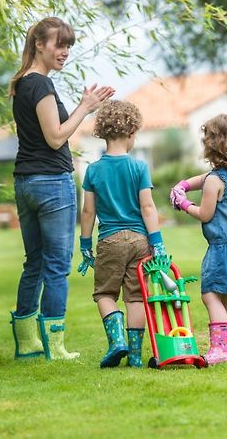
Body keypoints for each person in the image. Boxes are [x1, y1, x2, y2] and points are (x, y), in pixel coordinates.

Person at [8, 17, 115, 360]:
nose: (65, 52)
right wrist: (85, 107)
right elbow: (55, 138)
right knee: (55, 265)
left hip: (26, 183)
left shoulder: (23, 84)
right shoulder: (40, 86)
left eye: (68, 45)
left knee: (35, 263)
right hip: (51, 184)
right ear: (39, 44)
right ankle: (54, 346)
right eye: (59, 44)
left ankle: (27, 343)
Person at [78, 100, 168, 368]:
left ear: (103, 133)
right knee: (136, 298)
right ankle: (136, 357)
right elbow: (148, 207)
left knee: (105, 294)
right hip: (140, 240)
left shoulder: (93, 170)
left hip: (110, 240)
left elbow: (87, 212)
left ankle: (117, 341)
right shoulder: (139, 167)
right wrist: (157, 242)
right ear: (131, 133)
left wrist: (85, 245)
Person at [170, 114, 227, 365]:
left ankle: (221, 350)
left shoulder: (214, 181)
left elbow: (205, 214)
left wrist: (184, 203)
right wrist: (183, 184)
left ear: (212, 144)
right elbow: (204, 178)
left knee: (210, 295)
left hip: (221, 249)